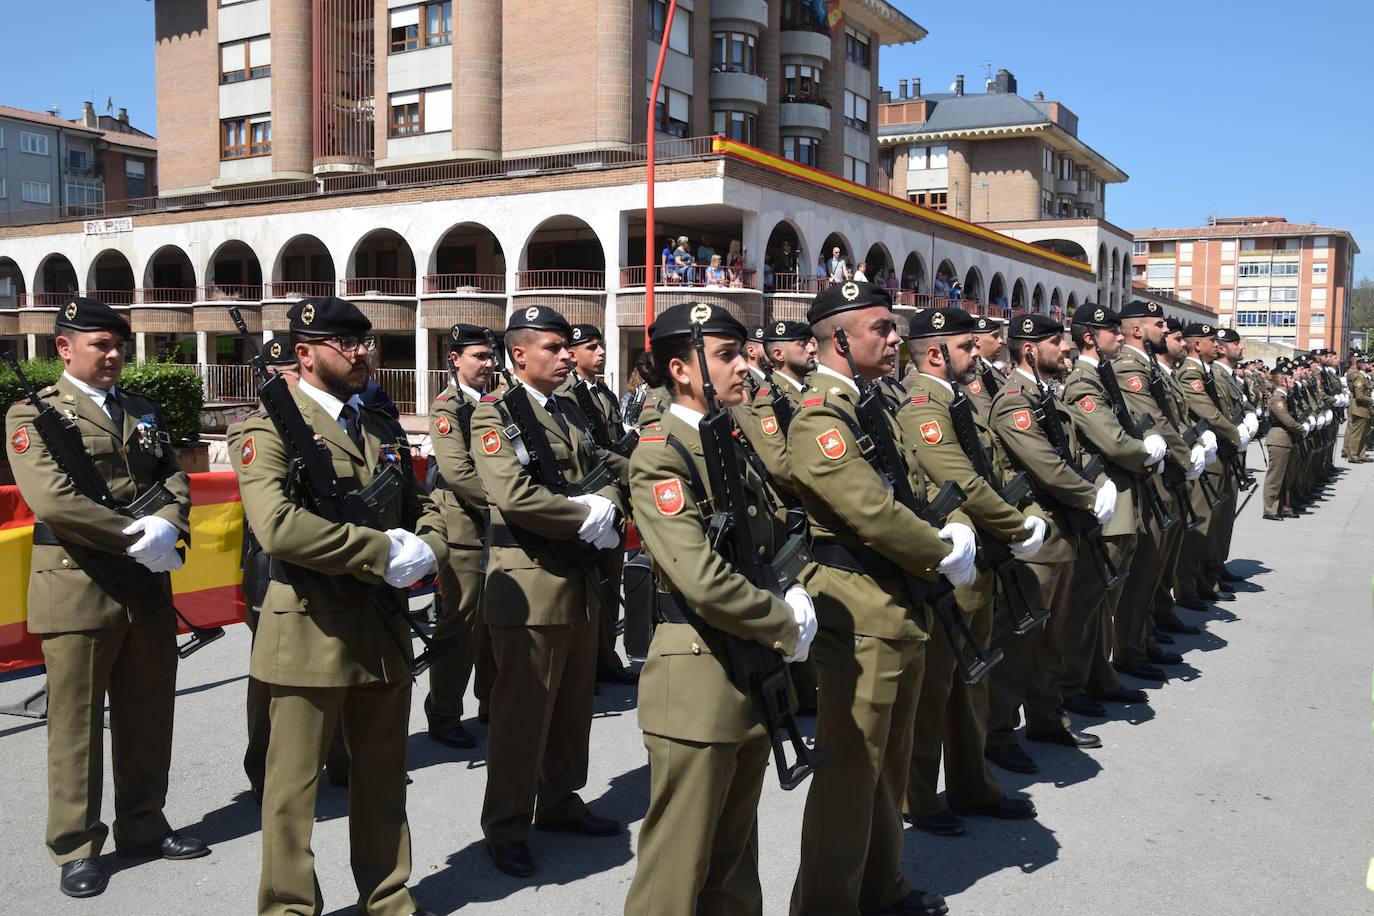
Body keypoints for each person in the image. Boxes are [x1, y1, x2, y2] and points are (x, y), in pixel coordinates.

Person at [228, 296, 445, 916]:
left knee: (380, 781)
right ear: (304, 353)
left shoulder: (377, 425)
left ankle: (387, 896)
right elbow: (276, 527)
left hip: (380, 629)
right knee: (292, 792)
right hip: (307, 627)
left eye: (364, 341)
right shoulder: (265, 428)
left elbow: (422, 505)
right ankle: (289, 906)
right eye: (344, 342)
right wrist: (378, 552)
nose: (360, 352)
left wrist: (425, 549)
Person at [787, 281, 977, 916]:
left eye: (894, 329)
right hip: (859, 607)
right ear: (839, 338)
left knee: (887, 768)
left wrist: (944, 535)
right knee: (851, 771)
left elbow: (906, 489)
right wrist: (937, 549)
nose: (896, 338)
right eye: (881, 328)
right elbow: (869, 511)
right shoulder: (821, 415)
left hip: (892, 604)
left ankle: (878, 887)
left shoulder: (866, 405)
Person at [6, 297, 206, 899]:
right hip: (78, 586)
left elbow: (172, 477)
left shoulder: (141, 409)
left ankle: (144, 824)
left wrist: (170, 523)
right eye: (101, 345)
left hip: (145, 586)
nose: (115, 354)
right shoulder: (32, 415)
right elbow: (54, 501)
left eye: (119, 344)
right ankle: (77, 845)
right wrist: (136, 537)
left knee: (149, 713)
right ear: (65, 349)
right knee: (76, 725)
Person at [623, 301, 817, 916]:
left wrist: (793, 586)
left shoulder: (728, 439)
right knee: (675, 876)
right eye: (727, 355)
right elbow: (701, 580)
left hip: (748, 671)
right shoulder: (661, 453)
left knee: (733, 868)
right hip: (699, 679)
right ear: (681, 370)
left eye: (743, 352)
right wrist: (784, 621)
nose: (745, 365)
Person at [472, 305, 627, 878]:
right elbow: (511, 494)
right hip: (530, 583)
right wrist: (578, 516)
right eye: (554, 347)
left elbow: (602, 464)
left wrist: (607, 498)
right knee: (522, 714)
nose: (567, 355)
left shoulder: (566, 410)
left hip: (579, 579)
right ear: (519, 354)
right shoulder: (495, 416)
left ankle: (560, 800)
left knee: (570, 706)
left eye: (568, 348)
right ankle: (506, 824)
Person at [895, 307, 1043, 835]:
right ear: (936, 353)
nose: (977, 351)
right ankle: (919, 795)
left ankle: (971, 782)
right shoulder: (920, 406)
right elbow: (959, 479)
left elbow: (990, 470)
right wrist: (1017, 526)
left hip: (978, 560)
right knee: (933, 690)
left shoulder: (957, 399)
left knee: (970, 682)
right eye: (966, 346)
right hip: (949, 563)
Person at [985, 314, 1115, 774]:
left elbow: (1072, 456)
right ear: (1028, 350)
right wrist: (1091, 494)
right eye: (1055, 341)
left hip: (1065, 533)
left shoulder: (1045, 395)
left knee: (1053, 637)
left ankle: (1045, 716)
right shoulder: (1014, 401)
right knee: (1021, 639)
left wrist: (1095, 485)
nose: (1066, 348)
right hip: (1037, 535)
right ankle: (997, 730)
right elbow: (1045, 466)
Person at [239, 339, 350, 798]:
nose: (289, 384)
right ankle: (266, 766)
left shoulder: (333, 420)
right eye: (280, 376)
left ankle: (344, 759)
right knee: (274, 675)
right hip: (273, 562)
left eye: (291, 373)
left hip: (335, 553)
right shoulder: (261, 428)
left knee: (343, 658)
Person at [1059, 304, 1162, 717]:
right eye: (1112, 332)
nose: (1120, 337)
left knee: (1104, 603)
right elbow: (1114, 441)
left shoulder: (1101, 376)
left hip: (1121, 496)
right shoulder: (1083, 382)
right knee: (1087, 602)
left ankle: (1098, 676)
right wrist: (1146, 454)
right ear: (1090, 337)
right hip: (1107, 501)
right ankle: (1070, 684)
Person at [425, 324, 500, 750]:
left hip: (496, 523)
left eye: (490, 357)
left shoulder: (497, 401)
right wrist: (506, 502)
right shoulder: (447, 407)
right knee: (461, 621)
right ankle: (444, 712)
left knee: (495, 620)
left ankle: (490, 700)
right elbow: (457, 472)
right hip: (464, 526)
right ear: (455, 359)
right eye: (478, 357)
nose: (487, 364)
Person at [559, 323, 637, 685]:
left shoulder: (602, 391)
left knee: (610, 584)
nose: (601, 353)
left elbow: (615, 440)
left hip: (614, 496)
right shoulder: (569, 394)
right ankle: (587, 664)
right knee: (590, 587)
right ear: (573, 355)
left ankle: (606, 658)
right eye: (592, 347)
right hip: (593, 498)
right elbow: (592, 449)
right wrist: (633, 469)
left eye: (600, 346)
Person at [1262, 363, 1306, 519]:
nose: (1293, 380)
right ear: (1282, 382)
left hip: (1288, 439)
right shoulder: (1277, 399)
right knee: (1276, 477)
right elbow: (1286, 420)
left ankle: (1285, 507)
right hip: (1279, 439)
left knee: (1288, 477)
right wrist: (1302, 429)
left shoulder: (1286, 397)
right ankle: (1270, 509)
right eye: (1290, 378)